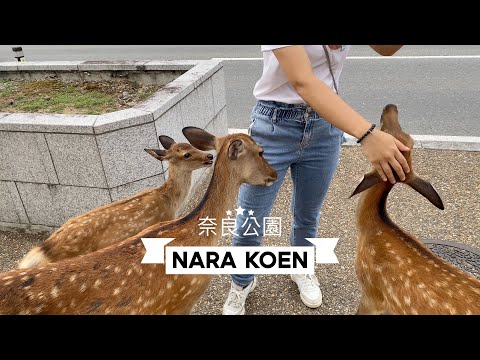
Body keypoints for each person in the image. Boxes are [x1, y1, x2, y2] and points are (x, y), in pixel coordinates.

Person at [222, 45, 410, 315]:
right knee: (252, 215)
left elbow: (386, 49)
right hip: (274, 125)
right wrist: (367, 134)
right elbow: (303, 80)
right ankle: (241, 282)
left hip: (325, 126)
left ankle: (300, 268)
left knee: (308, 214)